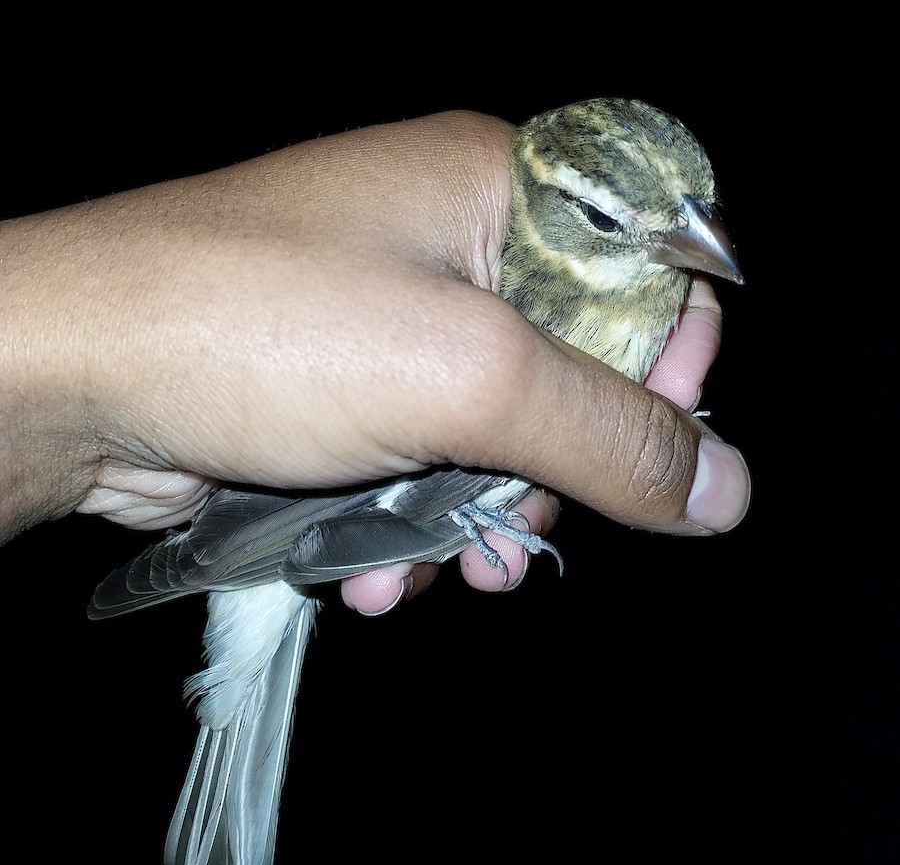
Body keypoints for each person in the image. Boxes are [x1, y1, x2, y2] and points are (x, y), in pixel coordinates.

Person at [0, 110, 750, 614]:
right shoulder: (545, 307)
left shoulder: (638, 288)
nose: (697, 247)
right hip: (288, 519)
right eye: (608, 220)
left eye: (702, 216)